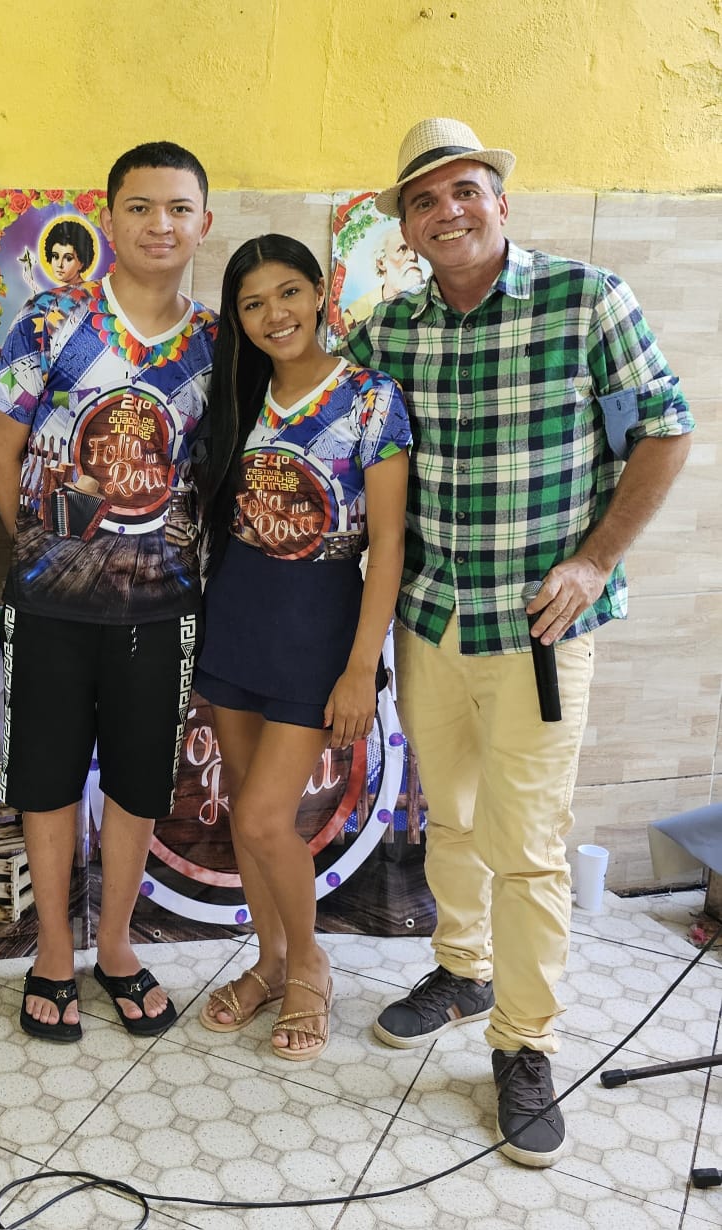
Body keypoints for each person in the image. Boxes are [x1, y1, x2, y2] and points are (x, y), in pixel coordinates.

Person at [345, 117, 693, 1165]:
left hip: (539, 628)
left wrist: (594, 562)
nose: (447, 211)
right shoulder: (390, 331)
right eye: (424, 199)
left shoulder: (586, 300)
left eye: (465, 190)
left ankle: (526, 1043)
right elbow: (329, 425)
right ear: (407, 227)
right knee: (447, 819)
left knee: (529, 846)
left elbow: (666, 429)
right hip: (430, 620)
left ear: (500, 200)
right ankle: (463, 968)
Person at [0, 142, 215, 1042]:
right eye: (141, 207)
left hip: (162, 608)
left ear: (203, 222)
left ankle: (115, 947)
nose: (160, 225)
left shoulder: (214, 344)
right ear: (110, 218)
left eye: (178, 208)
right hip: (49, 604)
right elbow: (1, 449)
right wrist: (44, 547)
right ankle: (52, 951)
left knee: (138, 782)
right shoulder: (51, 322)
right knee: (45, 780)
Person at [192, 235, 410, 1061]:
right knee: (247, 819)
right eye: (252, 304)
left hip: (318, 628)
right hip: (236, 616)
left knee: (263, 816)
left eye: (288, 292)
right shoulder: (237, 396)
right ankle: (270, 960)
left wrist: (361, 666)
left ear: (321, 292)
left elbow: (387, 546)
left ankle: (309, 963)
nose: (274, 314)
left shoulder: (371, 399)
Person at [340, 226, 426, 330]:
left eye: (415, 250)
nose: (413, 256)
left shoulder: (431, 303)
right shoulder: (355, 316)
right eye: (403, 249)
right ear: (381, 263)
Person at [43, 218, 95, 286]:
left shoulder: (87, 290)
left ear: (82, 263)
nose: (60, 265)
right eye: (55, 256)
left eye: (68, 258)